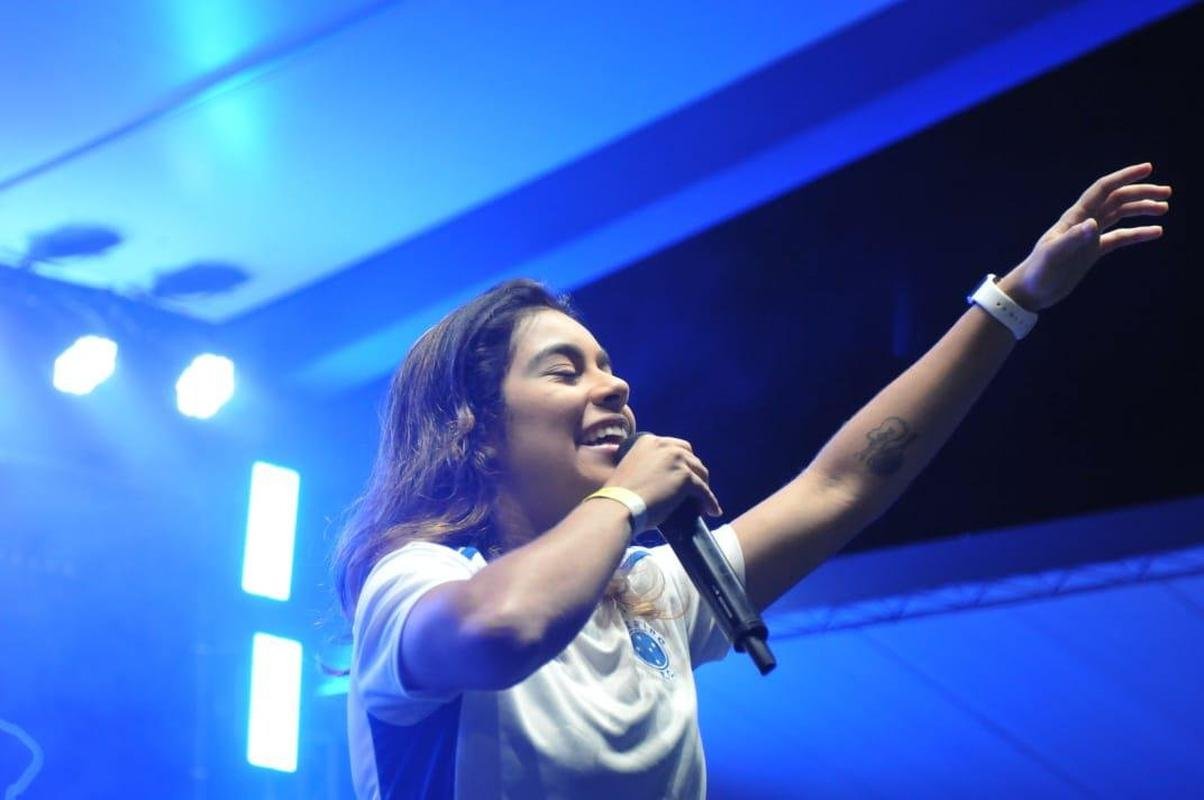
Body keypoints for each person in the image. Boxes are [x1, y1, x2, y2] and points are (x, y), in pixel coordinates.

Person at [332, 163, 1171, 799]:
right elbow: (503, 631)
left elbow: (843, 484)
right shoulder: (414, 581)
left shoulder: (653, 593)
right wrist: (625, 499)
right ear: (475, 428)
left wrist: (1013, 301)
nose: (613, 387)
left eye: (610, 366)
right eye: (564, 372)